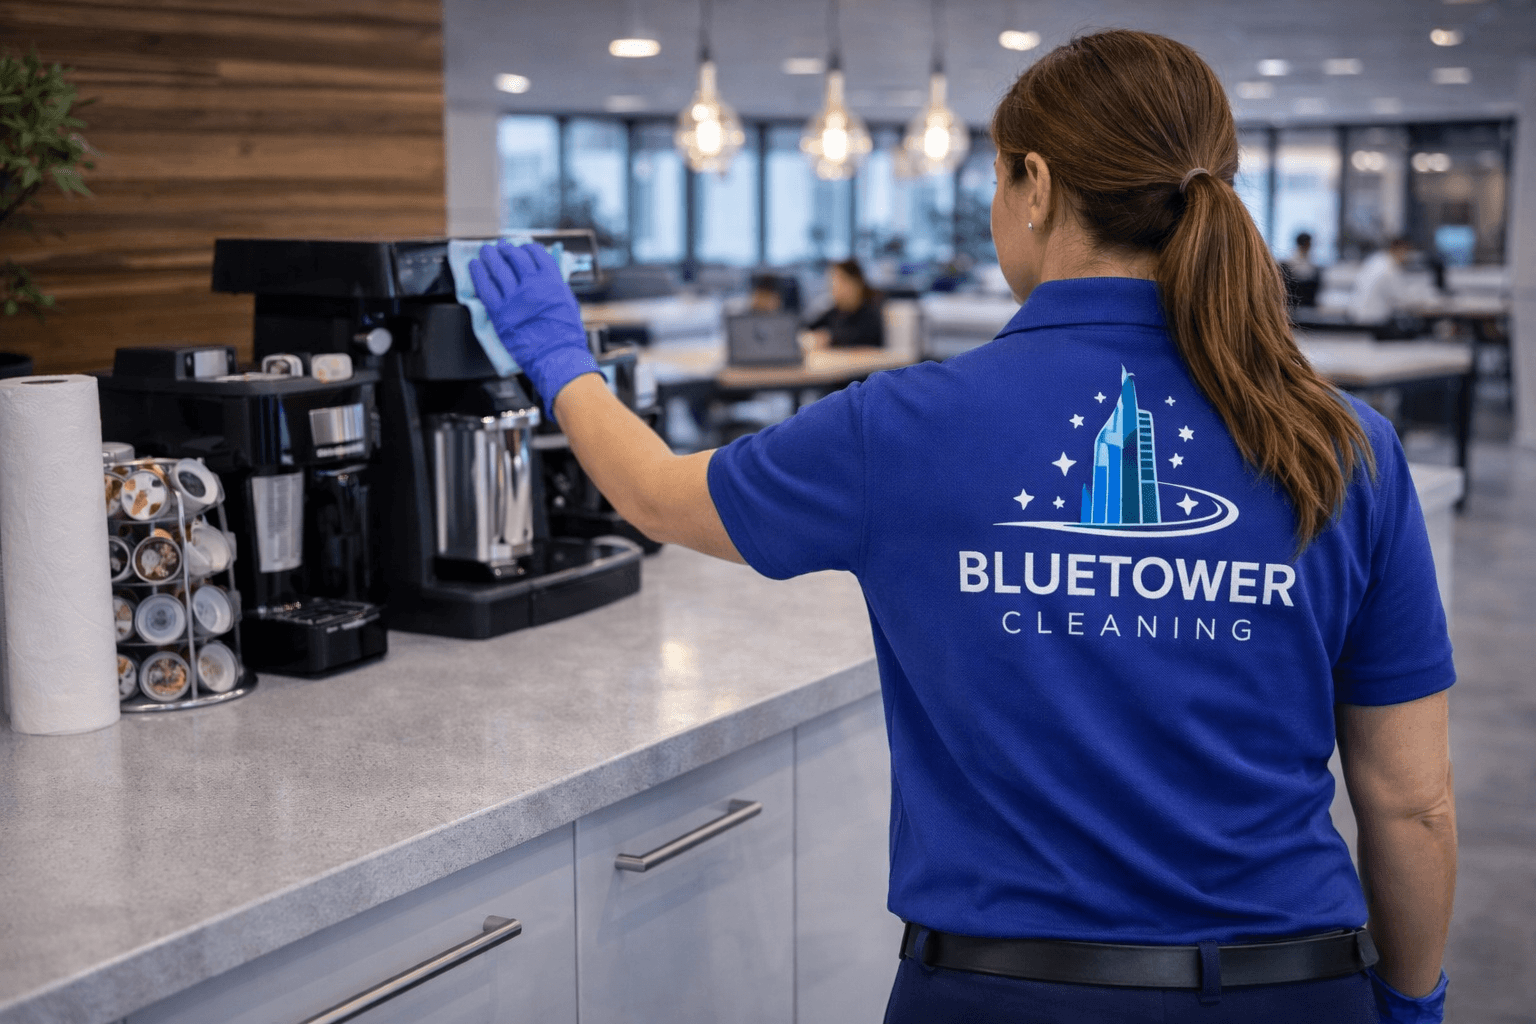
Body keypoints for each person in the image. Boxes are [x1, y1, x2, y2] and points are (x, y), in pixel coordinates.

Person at [468, 29, 1455, 1024]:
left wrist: (557, 354)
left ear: (1036, 185)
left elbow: (654, 493)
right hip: (1291, 992)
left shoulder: (901, 429)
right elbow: (1412, 802)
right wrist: (1413, 1004)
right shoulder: (1344, 447)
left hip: (996, 994)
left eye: (996, 179)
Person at [804, 258, 884, 349]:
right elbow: (807, 327)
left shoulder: (871, 311)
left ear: (856, 283)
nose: (834, 285)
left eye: (840, 280)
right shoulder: (835, 311)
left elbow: (859, 340)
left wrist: (829, 339)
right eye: (831, 280)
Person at [1350, 237, 1417, 333]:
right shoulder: (1390, 269)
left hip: (1357, 316)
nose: (1408, 257)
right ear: (1400, 250)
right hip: (1375, 321)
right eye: (1407, 253)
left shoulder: (1376, 259)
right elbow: (1403, 299)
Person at [1282, 231, 1321, 308]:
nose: (1310, 245)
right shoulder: (1295, 257)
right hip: (1299, 288)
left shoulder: (1308, 256)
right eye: (1309, 243)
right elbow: (1303, 272)